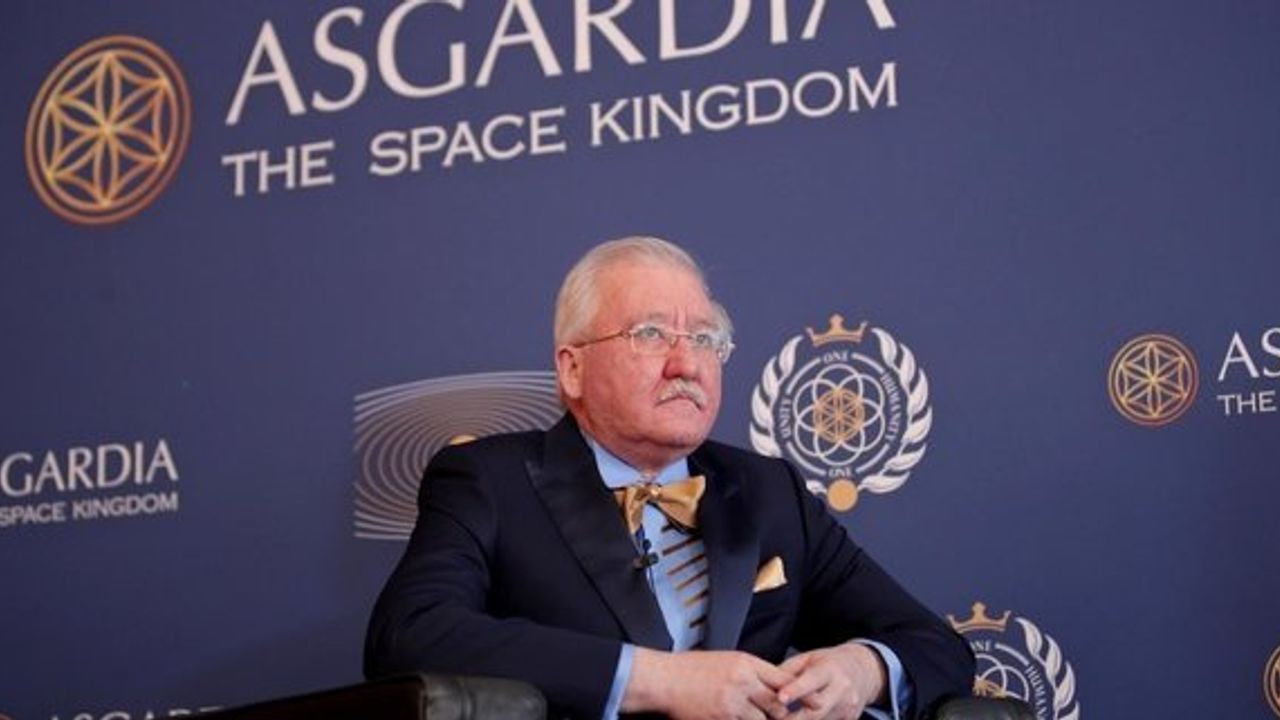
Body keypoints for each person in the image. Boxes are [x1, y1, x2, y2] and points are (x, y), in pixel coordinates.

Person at [365, 237, 973, 719]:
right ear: (572, 369)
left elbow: (937, 647)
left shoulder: (770, 492)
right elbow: (409, 635)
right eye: (651, 334)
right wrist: (657, 680)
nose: (687, 364)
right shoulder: (490, 481)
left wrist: (862, 670)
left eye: (705, 338)